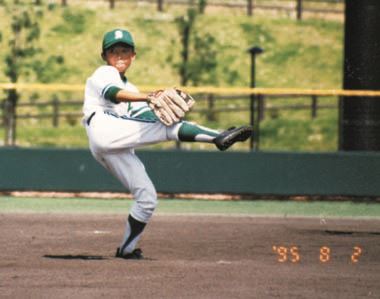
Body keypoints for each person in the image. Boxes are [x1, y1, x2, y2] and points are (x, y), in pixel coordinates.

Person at [83, 28, 253, 259]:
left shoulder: (133, 90)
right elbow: (114, 93)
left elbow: (148, 115)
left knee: (147, 198)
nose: (120, 55)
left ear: (134, 55)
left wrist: (157, 110)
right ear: (104, 56)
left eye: (125, 51)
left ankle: (126, 249)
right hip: (103, 127)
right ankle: (218, 136)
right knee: (169, 128)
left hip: (114, 144)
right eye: (114, 51)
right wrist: (150, 97)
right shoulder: (103, 73)